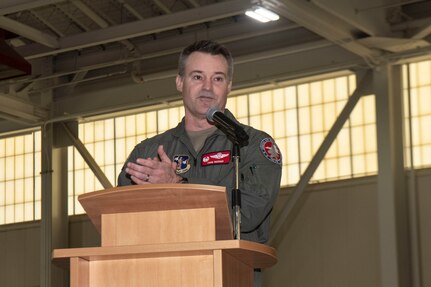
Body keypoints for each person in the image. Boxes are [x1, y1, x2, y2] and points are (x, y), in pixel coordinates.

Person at [118, 40, 282, 245]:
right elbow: (122, 221)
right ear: (179, 82)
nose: (207, 87)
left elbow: (246, 215)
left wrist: (177, 185)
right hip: (160, 271)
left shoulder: (252, 145)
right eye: (197, 77)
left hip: (229, 270)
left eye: (218, 79)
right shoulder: (147, 152)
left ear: (229, 86)